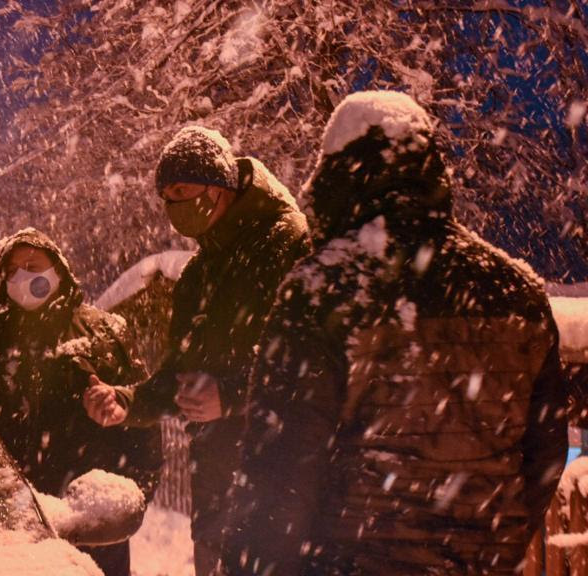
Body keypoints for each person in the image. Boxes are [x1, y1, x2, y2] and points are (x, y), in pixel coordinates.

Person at [220, 91, 568, 575]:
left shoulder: (322, 291)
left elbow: (279, 474)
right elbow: (545, 452)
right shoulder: (518, 291)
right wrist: (492, 545)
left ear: (339, 178)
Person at [83, 126, 310, 576]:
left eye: (181, 191)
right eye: (165, 197)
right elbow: (176, 376)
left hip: (280, 493)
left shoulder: (288, 243)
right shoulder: (198, 275)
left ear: (218, 184)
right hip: (215, 496)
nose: (172, 207)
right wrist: (126, 400)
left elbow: (308, 363)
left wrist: (231, 396)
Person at [0, 228, 163, 576]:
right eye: (12, 270)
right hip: (4, 531)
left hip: (92, 530)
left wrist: (129, 501)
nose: (23, 276)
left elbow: (143, 422)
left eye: (33, 264)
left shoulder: (106, 334)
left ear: (58, 270)